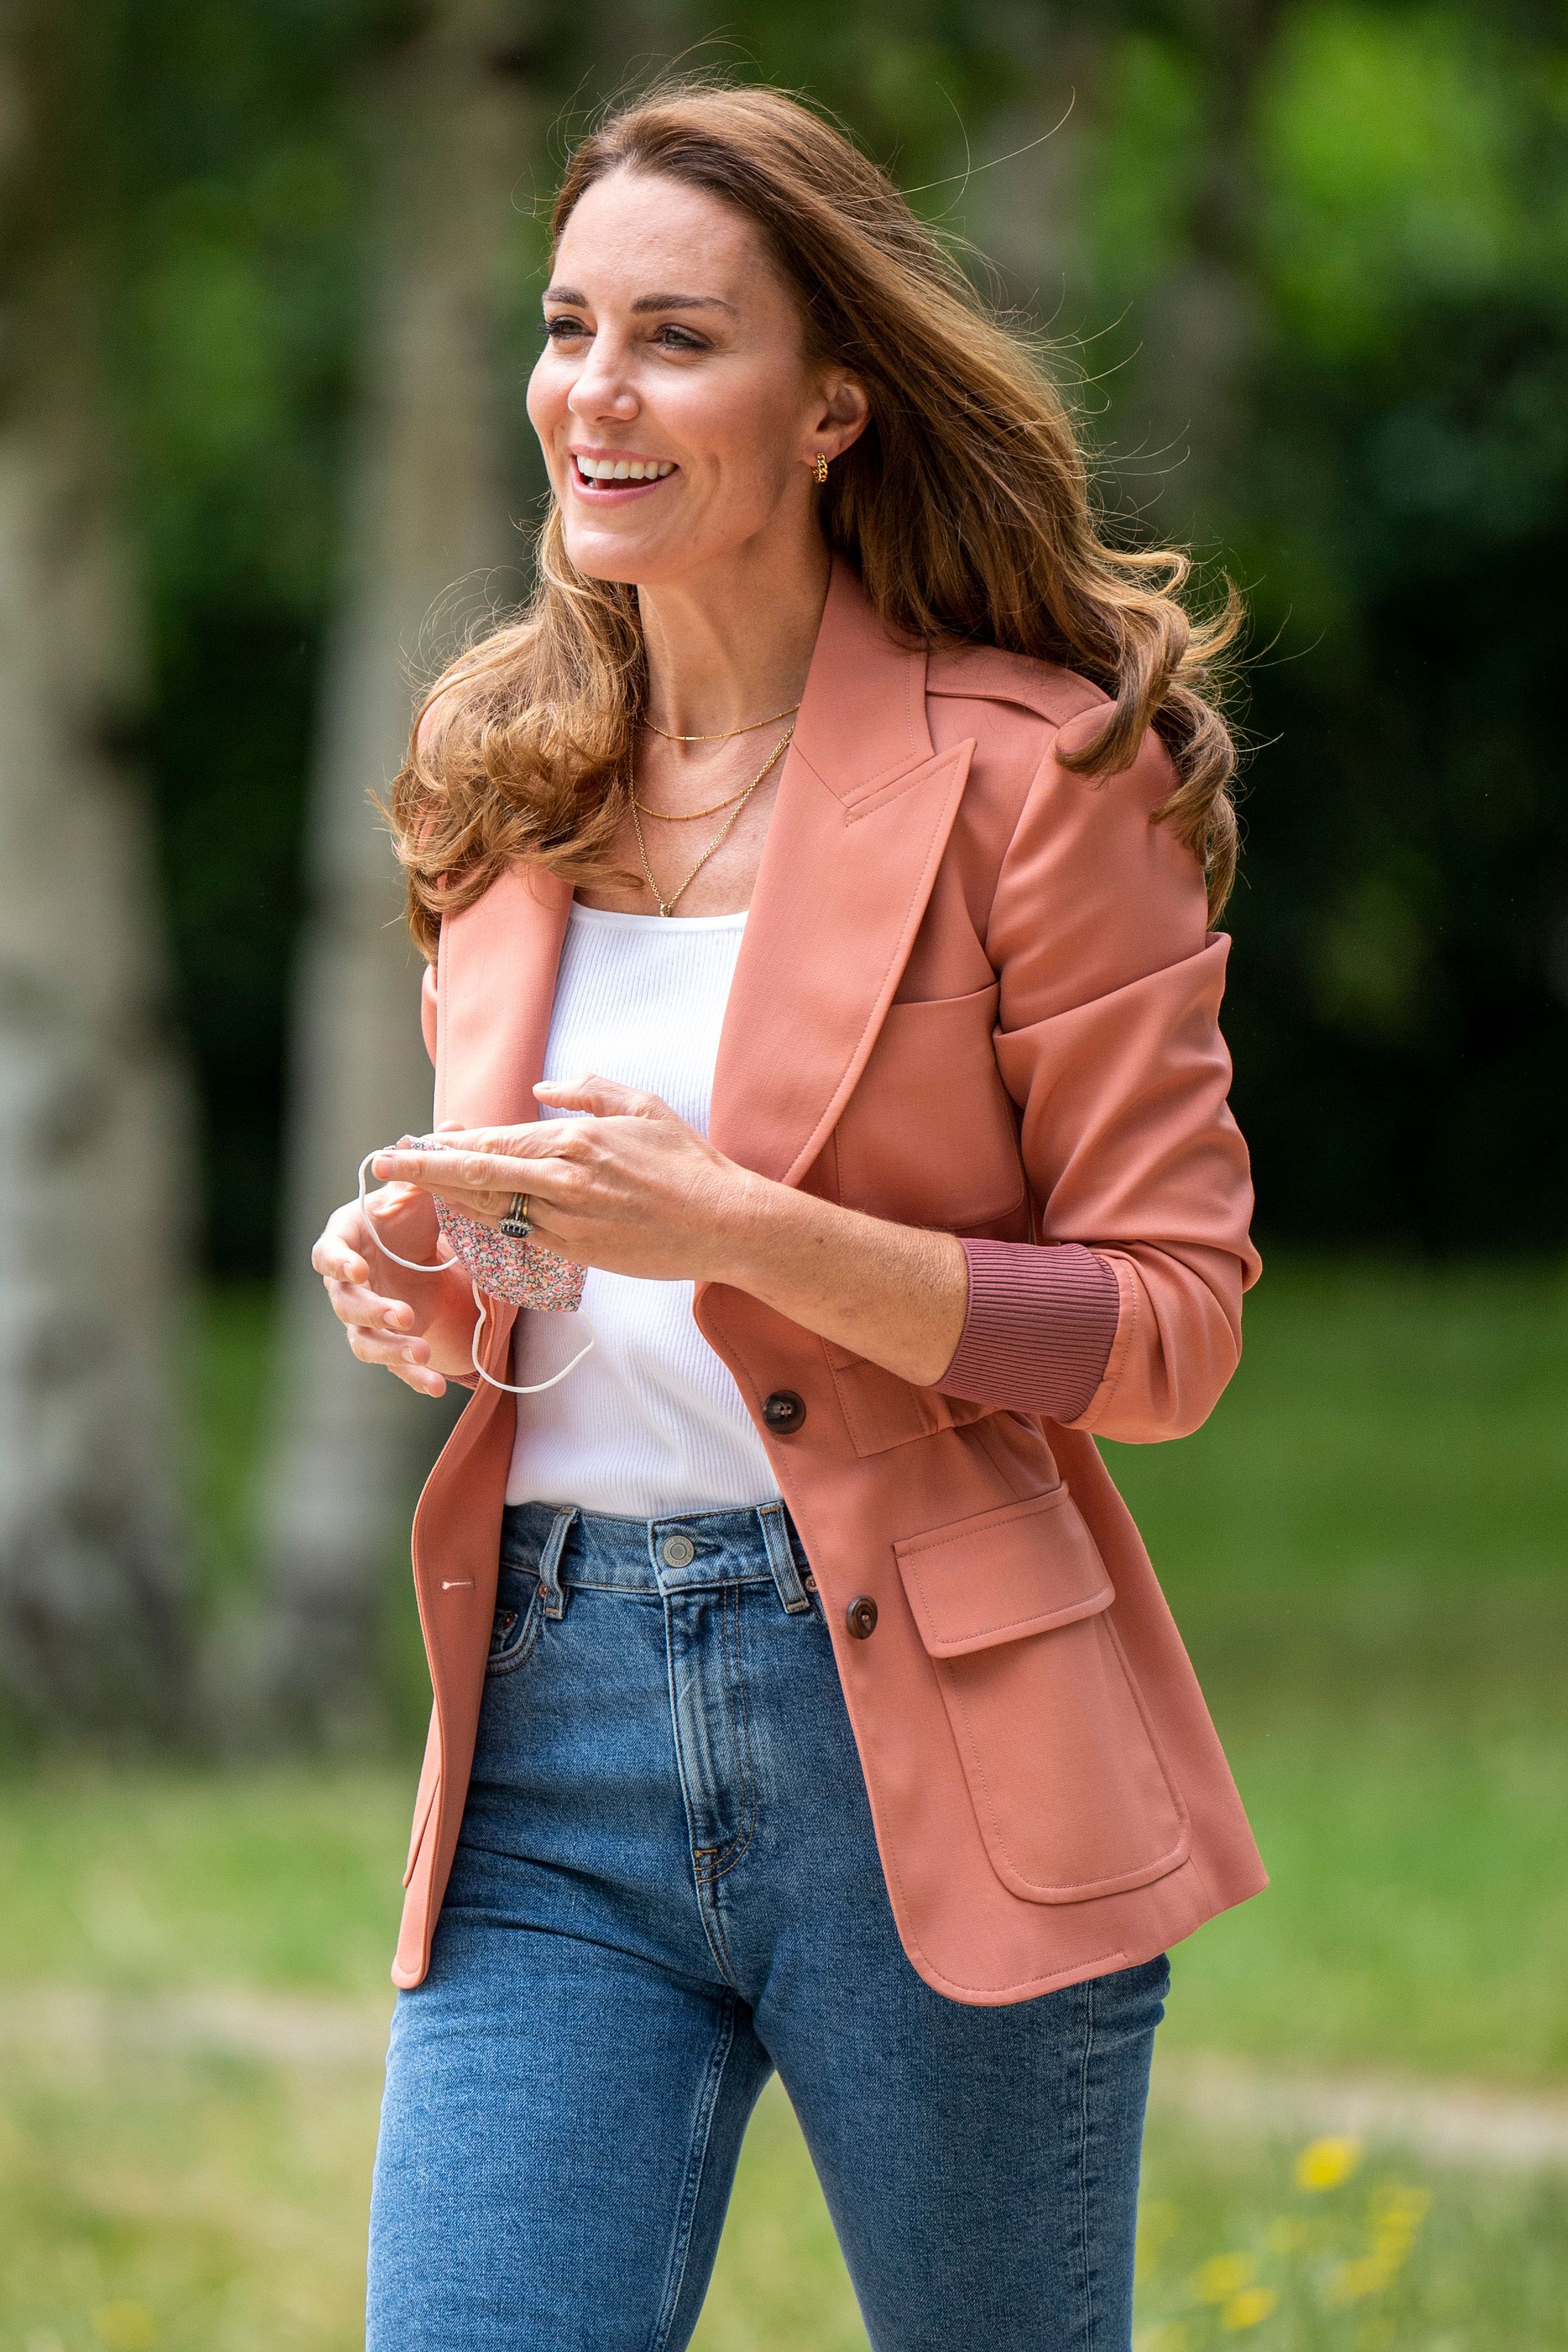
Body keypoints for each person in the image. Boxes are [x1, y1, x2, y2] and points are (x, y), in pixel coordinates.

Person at [312, 79, 1265, 2352]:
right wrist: (445, 1273)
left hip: (929, 1721)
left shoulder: (1042, 773)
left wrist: (737, 1225)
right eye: (568, 326)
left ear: (835, 404)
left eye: (677, 338)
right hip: (547, 1726)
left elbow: (1170, 1327)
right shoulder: (502, 780)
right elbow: (578, 1265)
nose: (594, 390)